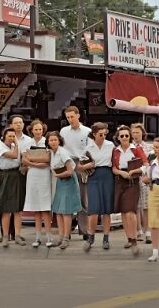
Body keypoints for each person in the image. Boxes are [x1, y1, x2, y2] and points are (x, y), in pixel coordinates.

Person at [112, 125, 147, 256]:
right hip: (120, 181)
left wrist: (134, 171)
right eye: (122, 136)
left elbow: (145, 164)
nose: (125, 138)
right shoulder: (115, 151)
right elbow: (114, 168)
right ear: (118, 138)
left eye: (127, 135)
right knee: (123, 211)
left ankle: (134, 240)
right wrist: (121, 172)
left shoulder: (136, 149)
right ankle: (129, 237)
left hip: (133, 181)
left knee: (130, 211)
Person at [79, 122, 115, 251]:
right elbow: (80, 165)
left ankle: (106, 238)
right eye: (100, 134)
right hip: (94, 176)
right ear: (94, 134)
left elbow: (115, 161)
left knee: (106, 210)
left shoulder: (110, 145)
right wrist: (85, 166)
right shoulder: (88, 148)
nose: (103, 136)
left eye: (105, 133)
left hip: (107, 175)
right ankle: (91, 237)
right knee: (93, 209)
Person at [59, 106, 92, 240]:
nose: (70, 119)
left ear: (78, 116)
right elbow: (61, 148)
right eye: (68, 117)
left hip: (81, 163)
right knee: (67, 197)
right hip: (67, 162)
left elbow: (90, 149)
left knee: (83, 198)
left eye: (72, 116)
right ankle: (67, 230)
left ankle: (84, 230)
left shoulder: (87, 131)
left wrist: (83, 164)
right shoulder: (63, 131)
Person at [48, 130, 82, 249]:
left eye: (55, 140)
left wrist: (57, 175)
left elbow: (70, 170)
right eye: (51, 140)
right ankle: (61, 236)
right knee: (58, 209)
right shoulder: (51, 153)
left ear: (59, 141)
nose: (53, 142)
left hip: (68, 181)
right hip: (59, 182)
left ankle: (66, 237)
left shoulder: (63, 153)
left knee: (66, 210)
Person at [22, 119, 53, 248]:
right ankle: (38, 237)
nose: (38, 132)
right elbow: (24, 159)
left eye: (40, 129)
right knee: (36, 210)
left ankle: (49, 237)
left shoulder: (47, 142)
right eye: (36, 129)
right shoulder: (28, 142)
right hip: (32, 176)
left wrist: (33, 160)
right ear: (32, 130)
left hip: (44, 176)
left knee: (45, 208)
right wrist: (35, 163)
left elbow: (48, 160)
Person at [0, 127, 26, 246]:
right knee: (6, 209)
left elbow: (22, 157)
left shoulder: (13, 146)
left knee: (17, 209)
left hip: (17, 175)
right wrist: (17, 144)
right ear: (4, 136)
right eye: (10, 136)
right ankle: (5, 236)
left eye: (14, 136)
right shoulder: (1, 146)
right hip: (6, 176)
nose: (12, 138)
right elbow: (13, 155)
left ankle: (17, 236)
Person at [131, 123, 152, 244]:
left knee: (146, 205)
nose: (135, 135)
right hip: (133, 177)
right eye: (133, 133)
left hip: (145, 177)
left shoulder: (149, 147)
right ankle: (138, 230)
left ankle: (147, 231)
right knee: (136, 205)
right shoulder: (129, 146)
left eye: (137, 132)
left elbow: (151, 162)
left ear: (142, 133)